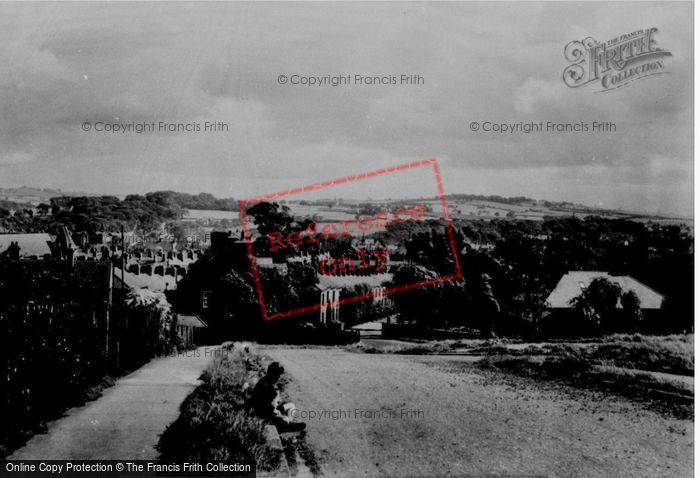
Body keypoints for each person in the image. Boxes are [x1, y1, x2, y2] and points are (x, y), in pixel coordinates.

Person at [250, 362, 305, 432]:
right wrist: (278, 413)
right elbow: (266, 408)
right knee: (286, 418)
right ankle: (286, 425)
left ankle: (288, 423)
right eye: (278, 375)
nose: (278, 378)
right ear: (273, 375)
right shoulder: (267, 387)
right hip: (265, 414)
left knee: (291, 405)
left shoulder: (265, 380)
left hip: (269, 409)